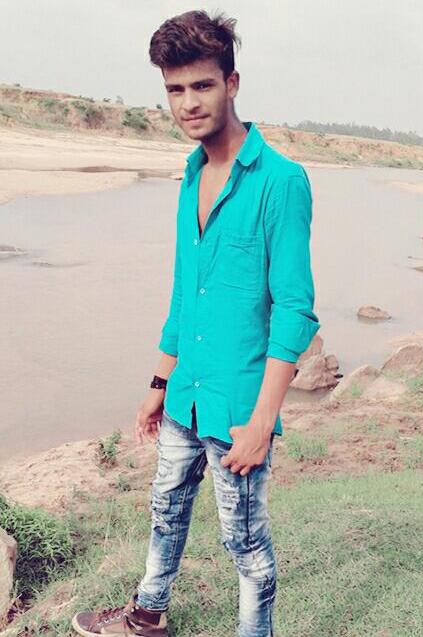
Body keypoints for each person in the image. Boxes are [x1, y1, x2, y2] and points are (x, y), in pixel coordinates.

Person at [71, 8, 320, 637]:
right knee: (166, 510)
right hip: (185, 394)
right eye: (174, 89)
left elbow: (294, 309)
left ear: (232, 83)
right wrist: (159, 383)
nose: (188, 103)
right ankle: (147, 616)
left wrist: (262, 423)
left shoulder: (281, 182)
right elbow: (187, 293)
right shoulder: (190, 175)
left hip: (237, 409)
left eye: (202, 85)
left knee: (246, 546)